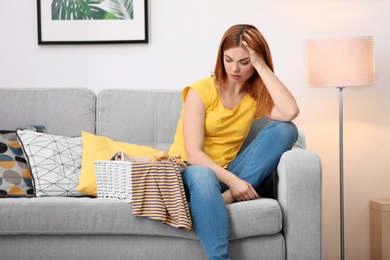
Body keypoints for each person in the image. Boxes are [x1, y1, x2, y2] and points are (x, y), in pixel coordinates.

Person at [168, 24, 300, 260]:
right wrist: (235, 183)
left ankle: (224, 199)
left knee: (286, 130)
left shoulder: (254, 95)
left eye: (244, 62)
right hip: (189, 173)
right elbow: (193, 154)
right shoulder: (201, 91)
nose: (234, 68)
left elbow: (290, 111)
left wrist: (261, 65)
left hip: (227, 178)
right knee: (204, 174)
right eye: (228, 59)